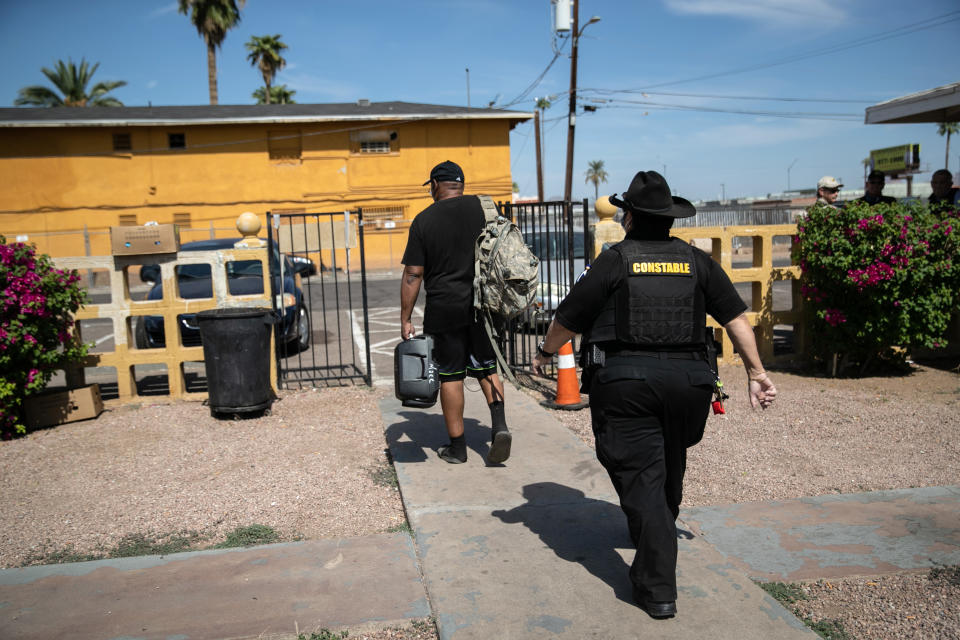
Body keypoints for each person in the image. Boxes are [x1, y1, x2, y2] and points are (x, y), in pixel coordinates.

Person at [532, 170, 777, 620]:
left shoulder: (615, 259)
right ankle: (661, 522)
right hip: (689, 386)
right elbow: (736, 316)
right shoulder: (696, 260)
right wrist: (756, 372)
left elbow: (569, 317)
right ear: (668, 219)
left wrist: (546, 352)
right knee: (668, 457)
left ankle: (657, 586)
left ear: (628, 217)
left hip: (627, 386)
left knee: (640, 474)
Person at [400, 160, 512, 465]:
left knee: (451, 375)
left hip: (444, 307)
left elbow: (413, 274)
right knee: (488, 367)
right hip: (484, 305)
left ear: (435, 184)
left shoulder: (424, 220)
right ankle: (499, 426)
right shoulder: (485, 210)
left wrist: (406, 318)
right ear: (460, 184)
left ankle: (457, 447)